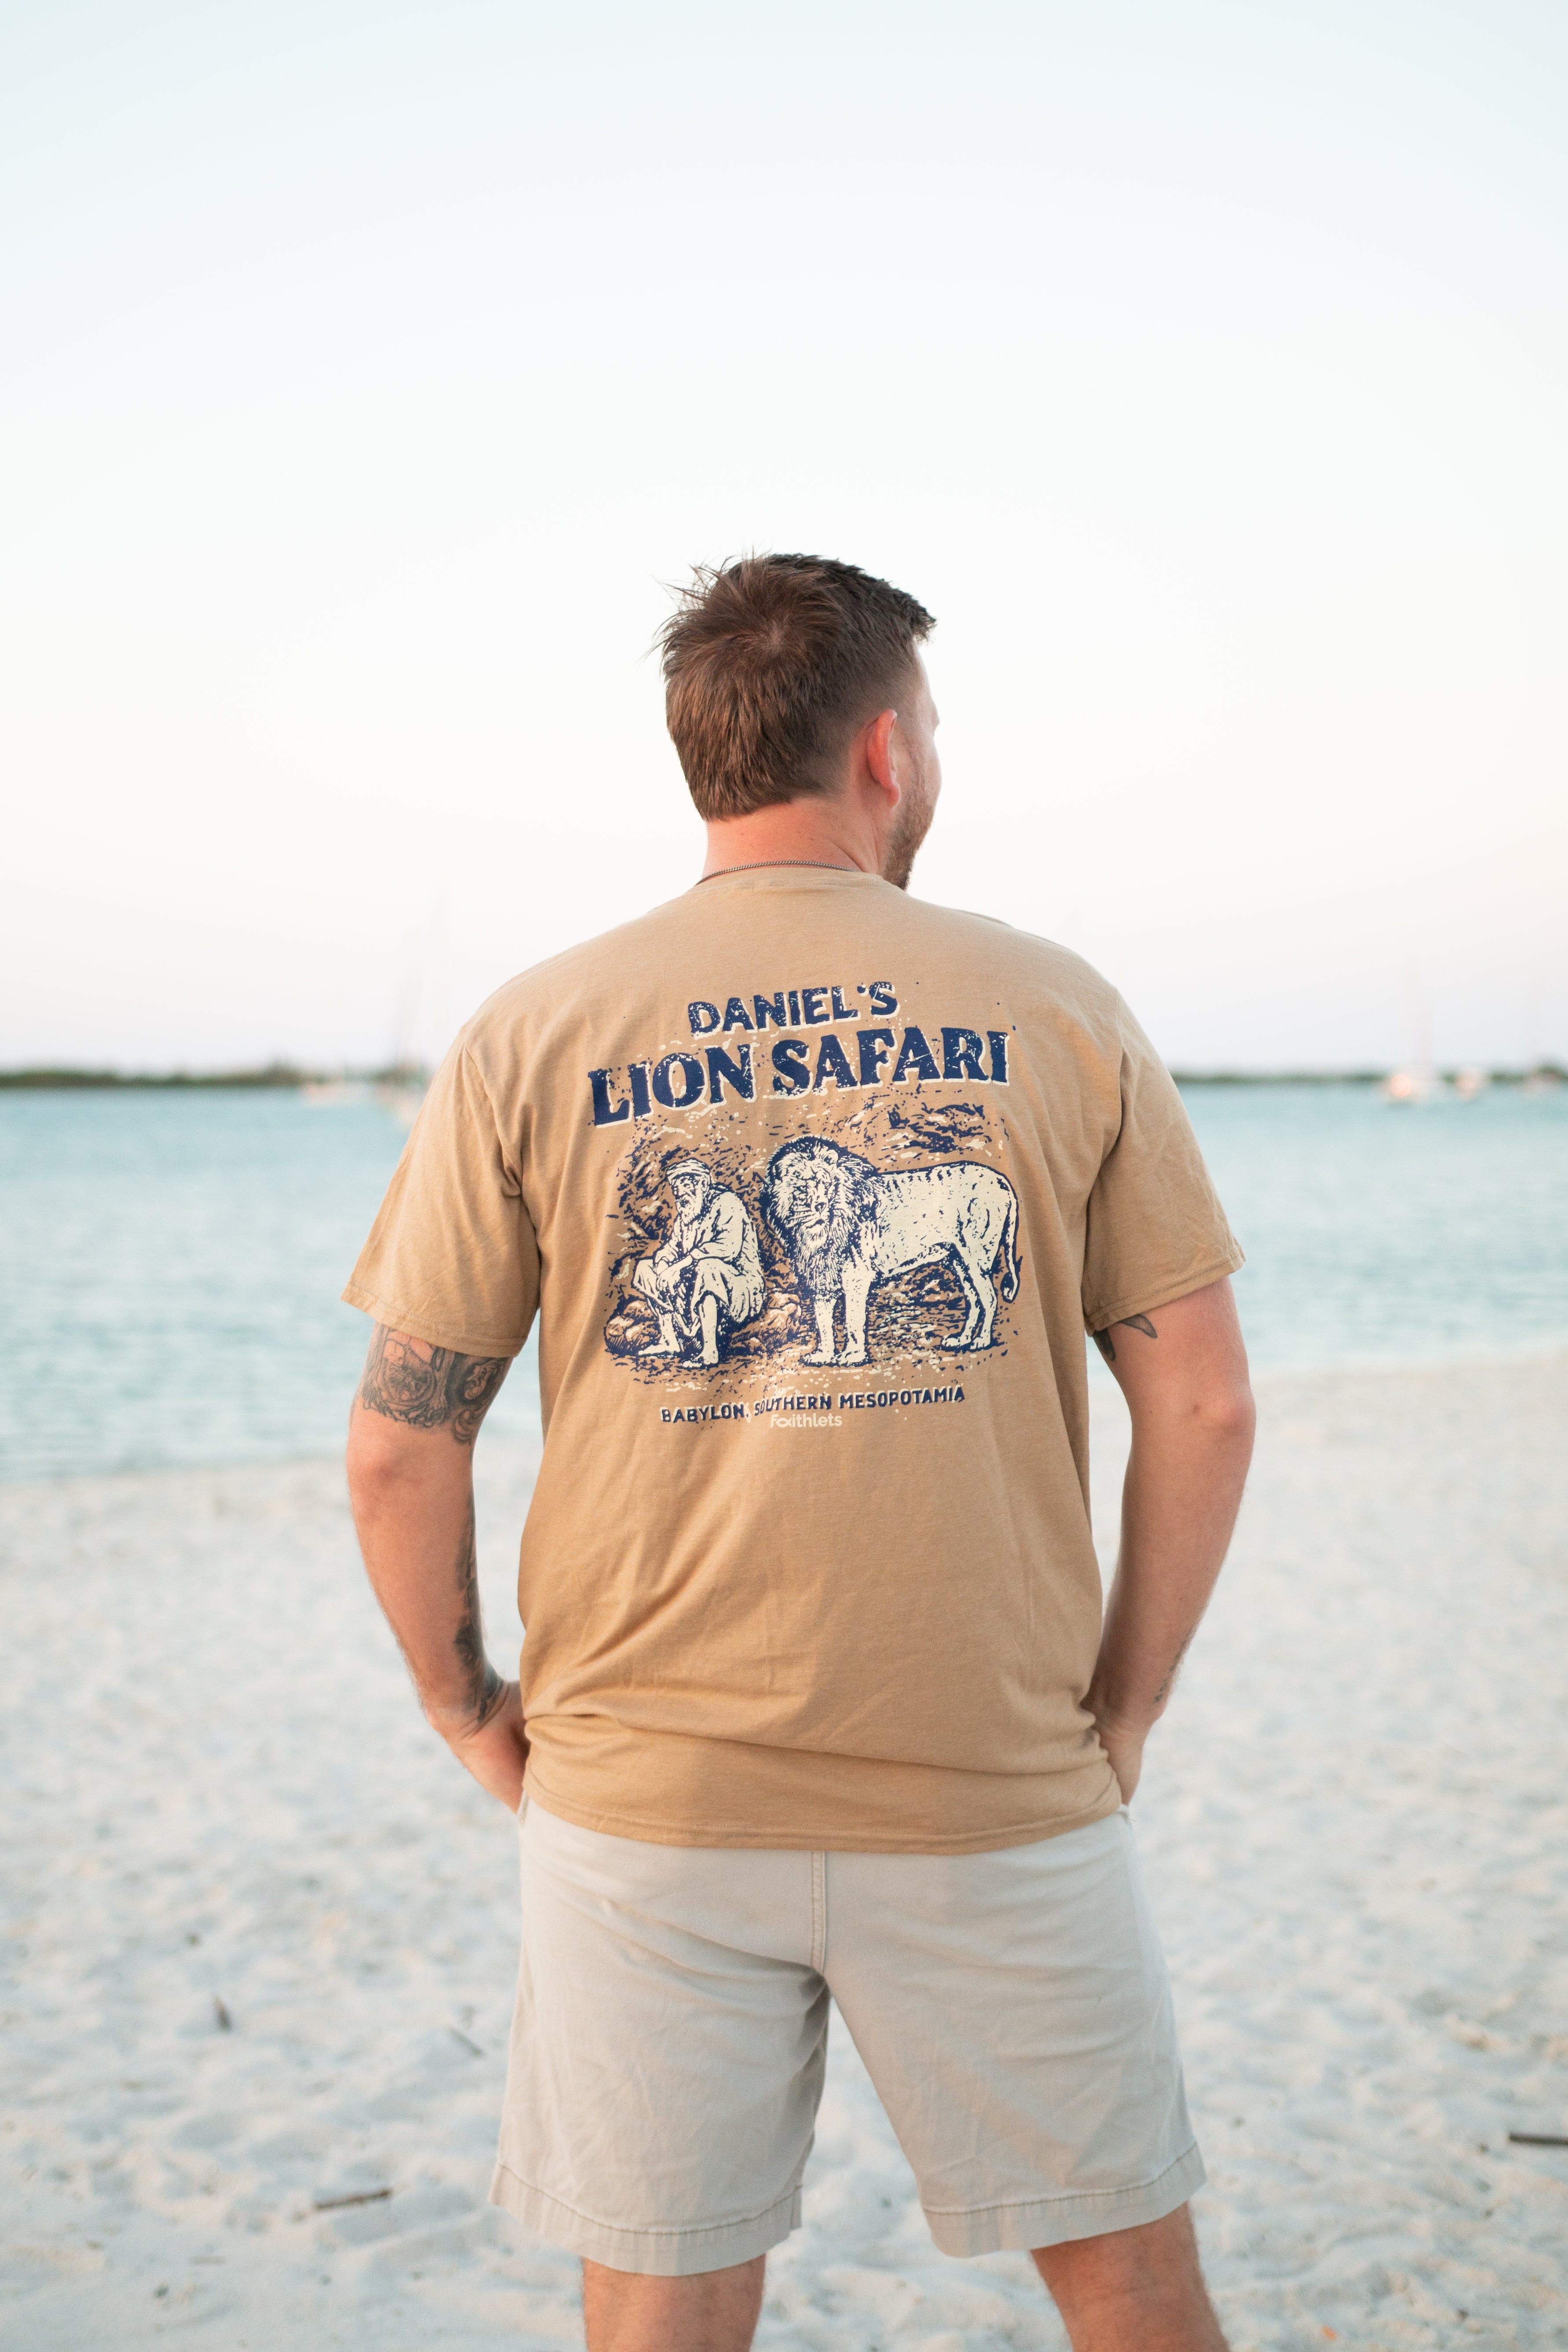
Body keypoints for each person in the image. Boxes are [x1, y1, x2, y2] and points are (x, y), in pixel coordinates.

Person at [344, 553, 1255, 2352]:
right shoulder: (1052, 1002)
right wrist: (1121, 1708)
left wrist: (470, 1714)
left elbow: (398, 1444)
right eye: (929, 726)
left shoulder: (534, 1028)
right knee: (1129, 2278)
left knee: (664, 2296)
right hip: (989, 1783)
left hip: (644, 1797)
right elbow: (1205, 1404)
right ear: (885, 756)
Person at [630, 1156, 765, 1366]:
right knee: (647, 1268)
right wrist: (665, 1266)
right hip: (694, 1283)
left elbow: (727, 1248)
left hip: (740, 1286)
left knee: (707, 1267)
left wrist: (680, 1266)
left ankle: (710, 1350)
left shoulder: (727, 1203)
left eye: (686, 1185)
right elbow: (671, 1248)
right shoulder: (687, 1214)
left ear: (703, 1184)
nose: (680, 1193)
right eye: (677, 1188)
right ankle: (669, 1340)